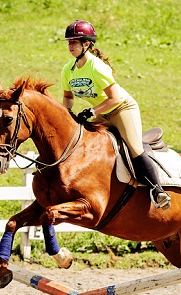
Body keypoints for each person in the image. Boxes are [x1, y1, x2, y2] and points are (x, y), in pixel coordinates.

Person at [61, 20, 171, 210]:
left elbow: (115, 98)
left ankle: (158, 190)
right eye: (69, 42)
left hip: (122, 109)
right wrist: (66, 114)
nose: (70, 46)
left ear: (86, 44)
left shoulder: (97, 67)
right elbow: (67, 97)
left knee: (135, 148)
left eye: (74, 42)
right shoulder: (67, 69)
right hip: (102, 112)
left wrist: (92, 111)